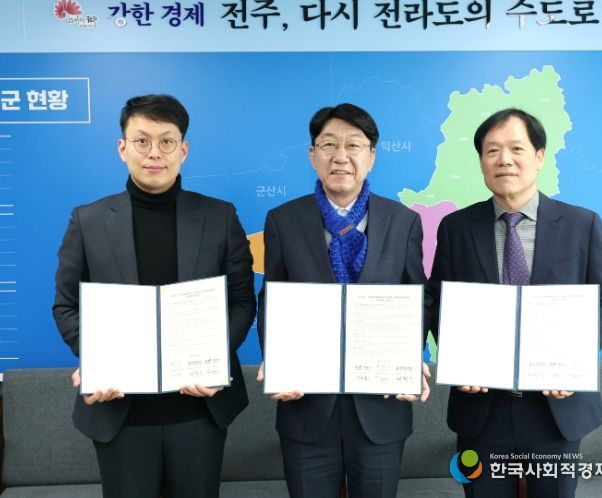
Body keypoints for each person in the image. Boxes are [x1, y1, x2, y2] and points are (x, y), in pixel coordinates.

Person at [53, 94, 256, 498]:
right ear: (122, 148)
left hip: (199, 410)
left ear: (184, 149)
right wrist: (96, 358)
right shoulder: (88, 220)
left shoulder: (219, 217)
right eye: (142, 141)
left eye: (166, 141)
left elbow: (242, 301)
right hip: (119, 411)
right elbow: (66, 305)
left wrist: (215, 361)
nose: (154, 153)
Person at [426, 108, 602, 498]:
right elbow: (438, 301)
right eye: (492, 150)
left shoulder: (582, 224)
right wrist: (460, 359)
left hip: (556, 408)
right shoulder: (456, 227)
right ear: (481, 161)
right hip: (482, 409)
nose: (504, 160)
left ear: (539, 156)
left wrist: (575, 359)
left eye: (516, 148)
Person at [256, 103, 430, 498]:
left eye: (354, 145)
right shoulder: (283, 220)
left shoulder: (404, 222)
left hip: (381, 408)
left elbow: (418, 299)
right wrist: (278, 360)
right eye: (329, 144)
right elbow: (272, 300)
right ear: (312, 154)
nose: (341, 156)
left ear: (371, 156)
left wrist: (409, 357)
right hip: (305, 407)